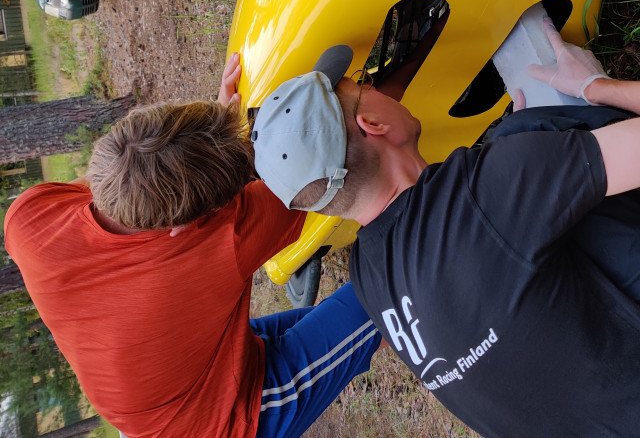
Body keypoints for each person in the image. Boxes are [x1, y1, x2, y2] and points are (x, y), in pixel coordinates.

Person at [251, 23, 640, 437]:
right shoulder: (488, 192)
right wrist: (596, 86)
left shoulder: (368, 272)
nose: (372, 84)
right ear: (373, 124)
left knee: (536, 166)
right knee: (543, 133)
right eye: (361, 86)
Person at [3, 54, 381, 438]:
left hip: (169, 376)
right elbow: (318, 162)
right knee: (385, 295)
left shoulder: (28, 219)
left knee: (336, 325)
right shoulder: (215, 245)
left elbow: (126, 176)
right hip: (212, 422)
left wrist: (206, 140)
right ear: (182, 227)